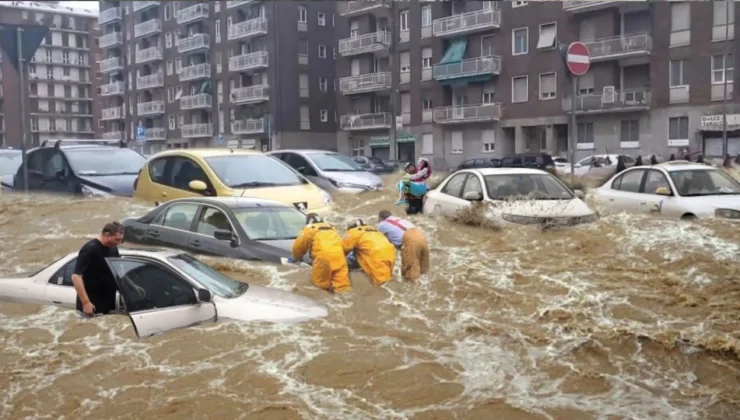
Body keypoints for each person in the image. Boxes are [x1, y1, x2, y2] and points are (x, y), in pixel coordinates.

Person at [72, 221, 143, 317]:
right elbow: (76, 277)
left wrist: (134, 287)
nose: (119, 243)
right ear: (107, 235)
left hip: (108, 302)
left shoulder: (113, 248)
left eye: (121, 240)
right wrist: (86, 303)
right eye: (117, 239)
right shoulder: (90, 249)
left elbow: (118, 272)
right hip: (92, 304)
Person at [292, 213, 351, 293]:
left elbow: (298, 247)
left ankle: (323, 304)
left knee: (320, 287)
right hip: (340, 257)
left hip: (323, 259)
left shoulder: (308, 229)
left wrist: (296, 258)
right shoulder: (331, 228)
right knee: (343, 288)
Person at [377, 210, 429, 281]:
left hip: (411, 241)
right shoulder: (398, 219)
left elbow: (378, 241)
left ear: (380, 218)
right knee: (424, 271)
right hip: (421, 236)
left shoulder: (382, 225)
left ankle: (412, 290)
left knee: (409, 274)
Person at [341, 219, 395, 287]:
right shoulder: (375, 231)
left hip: (376, 256)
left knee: (382, 286)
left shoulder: (353, 232)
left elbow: (341, 250)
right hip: (390, 253)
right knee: (388, 279)